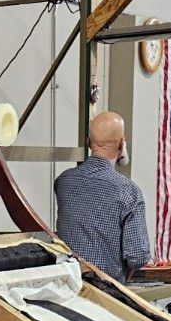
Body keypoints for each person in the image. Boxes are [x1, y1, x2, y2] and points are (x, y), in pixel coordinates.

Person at [52, 111, 151, 280]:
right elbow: (137, 257)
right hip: (106, 291)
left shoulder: (63, 182)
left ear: (89, 142)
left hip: (66, 285)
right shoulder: (129, 191)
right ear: (121, 144)